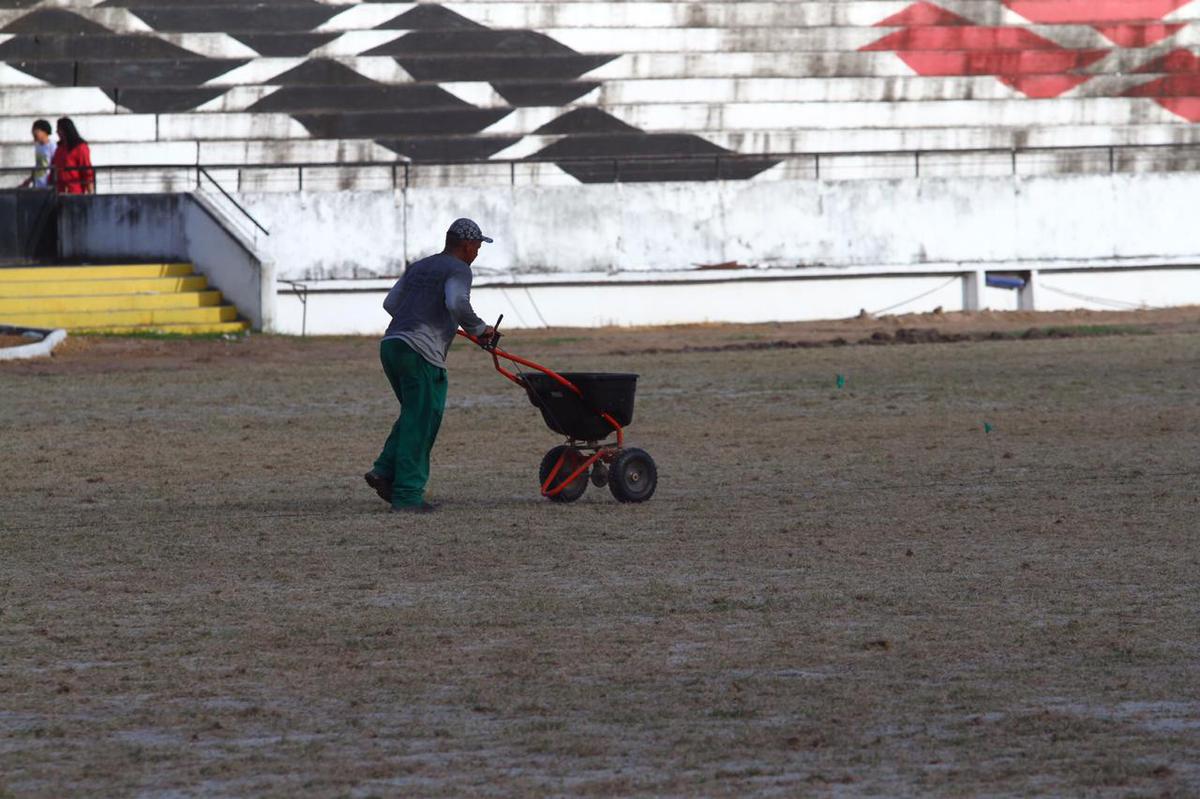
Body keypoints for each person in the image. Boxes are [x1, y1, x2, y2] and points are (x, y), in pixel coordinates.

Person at [365, 218, 498, 514]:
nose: (477, 253)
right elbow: (456, 303)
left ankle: (384, 470)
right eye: (477, 247)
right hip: (421, 352)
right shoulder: (459, 269)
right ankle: (408, 495)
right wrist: (479, 329)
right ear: (466, 245)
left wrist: (422, 315)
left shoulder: (420, 266)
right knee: (423, 421)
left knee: (414, 413)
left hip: (392, 346)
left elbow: (391, 304)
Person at [51, 117, 94, 195]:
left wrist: (90, 193)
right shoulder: (60, 148)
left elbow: (86, 170)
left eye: (59, 129)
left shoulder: (80, 148)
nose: (57, 132)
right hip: (59, 191)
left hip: (74, 191)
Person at [17, 119, 55, 189]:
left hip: (48, 185)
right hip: (38, 184)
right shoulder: (38, 146)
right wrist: (29, 180)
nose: (34, 134)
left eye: (37, 131)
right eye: (33, 131)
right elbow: (38, 165)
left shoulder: (52, 146)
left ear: (45, 132)